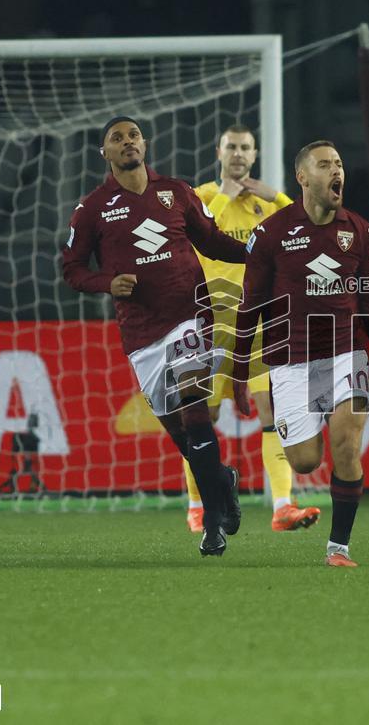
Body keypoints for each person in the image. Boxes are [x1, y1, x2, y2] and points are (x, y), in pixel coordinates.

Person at [61, 115, 245, 557]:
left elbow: (213, 241)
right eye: (117, 139)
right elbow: (72, 269)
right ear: (104, 153)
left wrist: (257, 251)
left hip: (190, 316)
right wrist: (107, 283)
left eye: (134, 135)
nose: (128, 143)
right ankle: (222, 481)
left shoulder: (177, 192)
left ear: (145, 144)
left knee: (195, 407)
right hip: (141, 333)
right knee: (181, 433)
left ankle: (212, 522)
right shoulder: (93, 209)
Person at [230, 140, 369, 568]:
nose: (337, 171)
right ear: (302, 177)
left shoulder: (361, 232)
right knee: (305, 460)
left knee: (346, 445)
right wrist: (239, 373)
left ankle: (339, 547)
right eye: (324, 164)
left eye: (338, 164)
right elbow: (250, 306)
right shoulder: (272, 233)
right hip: (291, 360)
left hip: (345, 353)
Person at [183, 124, 321, 533]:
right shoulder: (203, 197)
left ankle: (282, 506)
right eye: (232, 147)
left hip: (258, 321)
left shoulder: (269, 205)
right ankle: (197, 505)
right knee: (201, 415)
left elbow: (306, 227)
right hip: (208, 322)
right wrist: (225, 195)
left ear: (255, 153)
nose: (239, 154)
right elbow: (199, 234)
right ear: (219, 151)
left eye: (245, 147)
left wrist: (276, 196)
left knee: (271, 409)